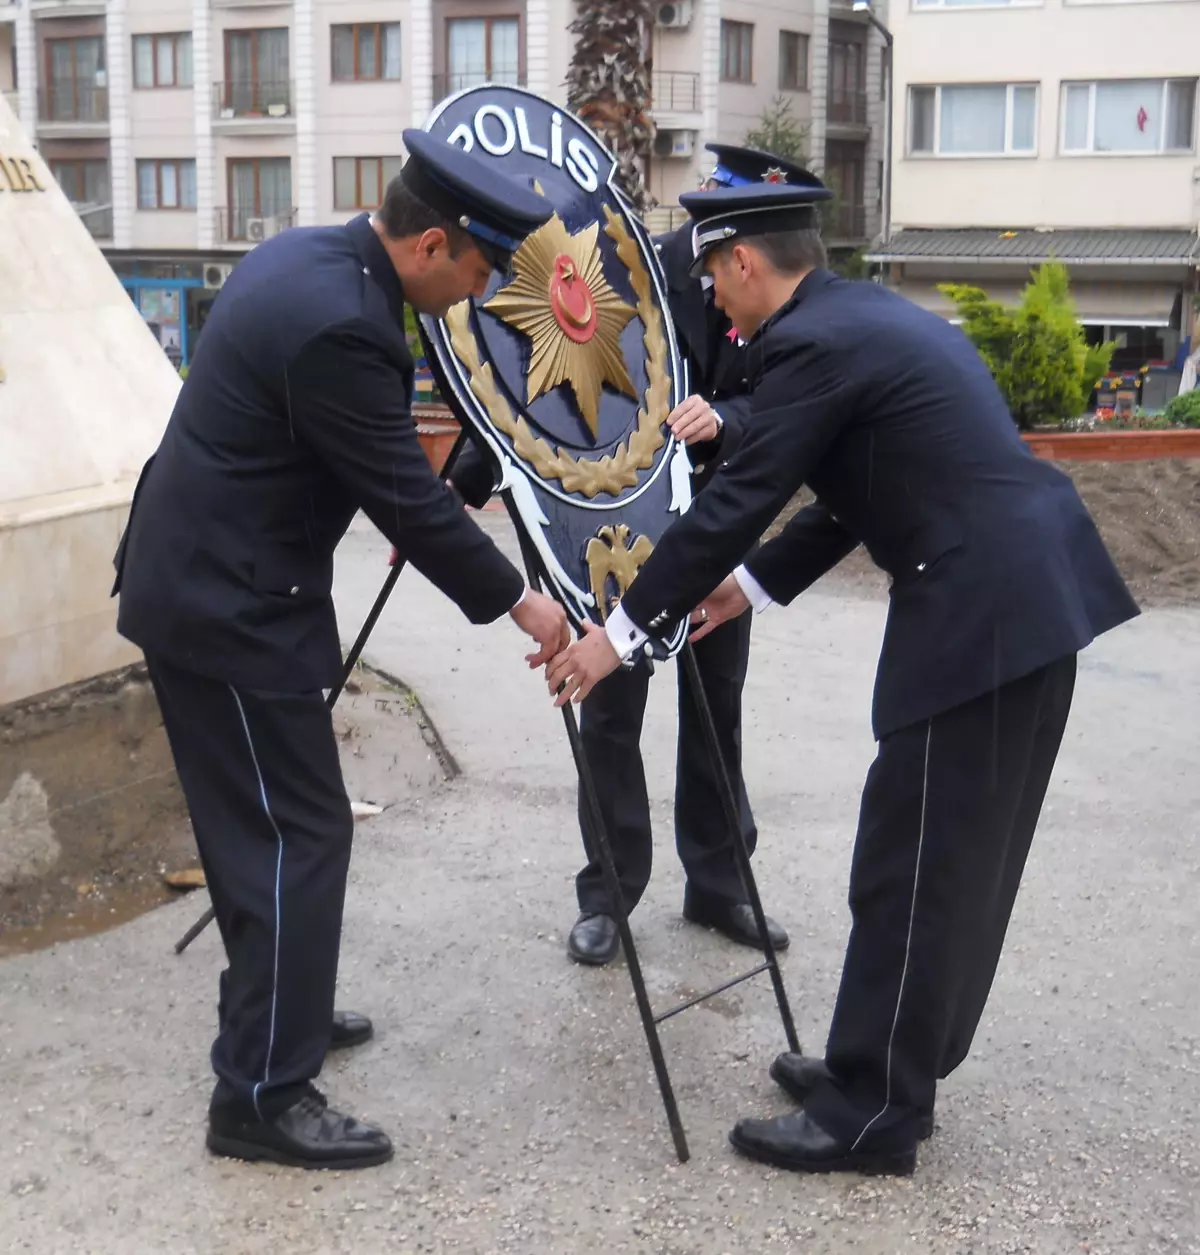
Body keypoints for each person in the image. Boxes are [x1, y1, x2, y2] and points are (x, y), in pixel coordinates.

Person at [545, 179, 1139, 1175]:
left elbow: (733, 500)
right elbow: (848, 495)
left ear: (743, 263)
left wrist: (617, 633)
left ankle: (874, 1111)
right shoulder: (862, 318)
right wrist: (746, 588)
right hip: (1018, 599)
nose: (715, 306)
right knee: (917, 857)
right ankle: (876, 1066)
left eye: (712, 278)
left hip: (983, 613)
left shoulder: (809, 344)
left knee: (914, 868)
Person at [112, 130, 569, 1171]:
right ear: (435, 244)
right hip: (229, 609)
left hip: (207, 583)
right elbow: (396, 492)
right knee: (296, 834)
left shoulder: (312, 258)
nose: (484, 290)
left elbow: (356, 458)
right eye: (482, 269)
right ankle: (264, 1092)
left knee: (262, 830)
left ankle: (282, 1013)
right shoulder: (343, 322)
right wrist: (524, 605)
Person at [448, 144, 807, 967]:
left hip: (716, 517)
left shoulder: (772, 287)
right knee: (611, 711)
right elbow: (535, 388)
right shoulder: (630, 260)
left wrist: (728, 418)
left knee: (718, 705)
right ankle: (608, 892)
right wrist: (459, 491)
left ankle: (719, 880)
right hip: (612, 521)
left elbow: (781, 398)